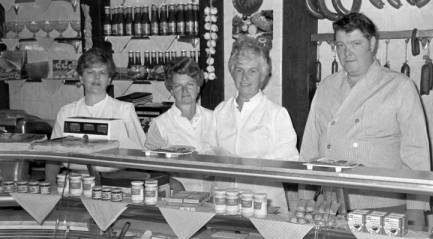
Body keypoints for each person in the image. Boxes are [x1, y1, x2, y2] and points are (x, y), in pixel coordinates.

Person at [300, 13, 431, 227]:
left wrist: (417, 213)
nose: (346, 52)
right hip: (331, 205)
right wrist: (305, 199)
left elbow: (416, 156)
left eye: (355, 43)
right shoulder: (325, 87)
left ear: (372, 43)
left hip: (383, 206)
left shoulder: (400, 86)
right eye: (340, 45)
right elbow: (309, 149)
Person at [213, 36, 299, 216]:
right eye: (239, 70)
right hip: (224, 205)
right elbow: (208, 154)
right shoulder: (220, 111)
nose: (244, 77)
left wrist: (243, 163)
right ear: (232, 72)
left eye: (252, 71)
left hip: (265, 206)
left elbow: (289, 161)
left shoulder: (277, 114)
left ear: (263, 75)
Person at [45, 47, 146, 183]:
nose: (96, 77)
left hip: (115, 182)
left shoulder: (124, 110)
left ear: (109, 79)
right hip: (74, 182)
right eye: (90, 72)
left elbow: (140, 152)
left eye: (102, 73)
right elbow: (54, 156)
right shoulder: (67, 112)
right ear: (81, 77)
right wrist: (49, 185)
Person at [145, 57, 214, 192]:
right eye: (178, 86)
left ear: (198, 87)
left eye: (189, 84)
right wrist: (172, 182)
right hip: (177, 196)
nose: (185, 91)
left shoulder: (215, 118)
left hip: (214, 196)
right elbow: (151, 168)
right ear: (171, 91)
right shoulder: (160, 124)